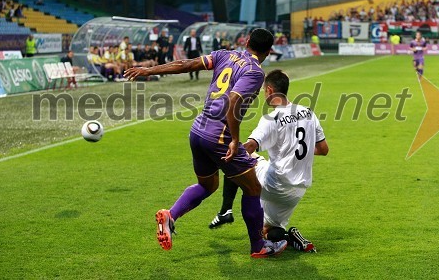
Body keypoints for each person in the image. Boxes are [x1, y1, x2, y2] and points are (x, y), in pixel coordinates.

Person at [124, 28, 287, 258]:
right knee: (252, 188)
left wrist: (148, 70)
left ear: (246, 41)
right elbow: (233, 102)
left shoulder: (223, 54)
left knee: (208, 186)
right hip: (219, 136)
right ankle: (258, 247)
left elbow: (186, 64)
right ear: (269, 51)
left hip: (198, 130)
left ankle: (170, 216)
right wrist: (235, 140)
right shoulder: (255, 72)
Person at [209, 69, 329, 253]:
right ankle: (290, 236)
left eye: (264, 90)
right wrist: (294, 149)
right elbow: (323, 149)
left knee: (237, 160)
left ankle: (225, 210)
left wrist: (222, 154)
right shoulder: (308, 113)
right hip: (297, 191)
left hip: (274, 183)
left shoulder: (270, 119)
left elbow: (248, 148)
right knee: (268, 231)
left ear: (270, 91)